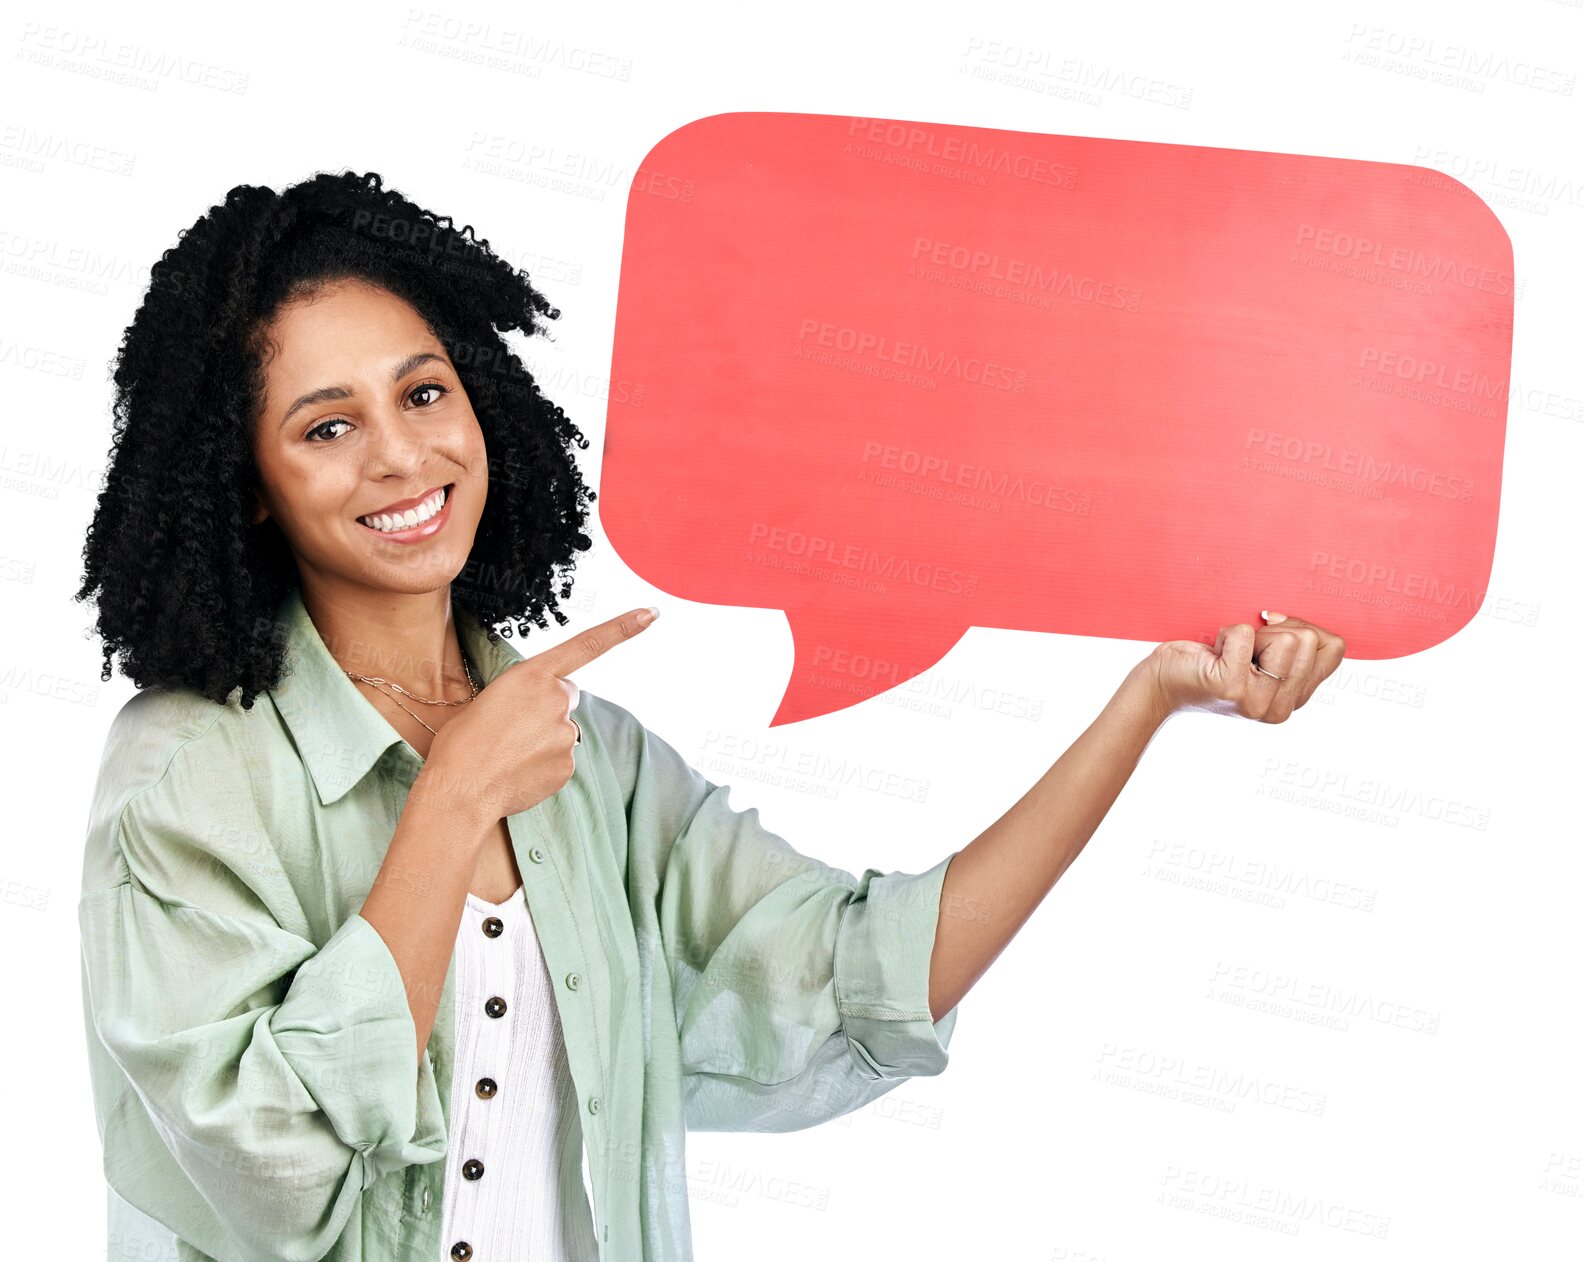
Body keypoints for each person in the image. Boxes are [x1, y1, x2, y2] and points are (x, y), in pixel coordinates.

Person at [74, 170, 1346, 1262]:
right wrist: (453, 797)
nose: (403, 458)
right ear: (245, 487)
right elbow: (268, 1171)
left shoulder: (595, 762)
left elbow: (858, 976)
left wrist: (1150, 697)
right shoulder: (191, 771)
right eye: (328, 426)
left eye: (423, 393)